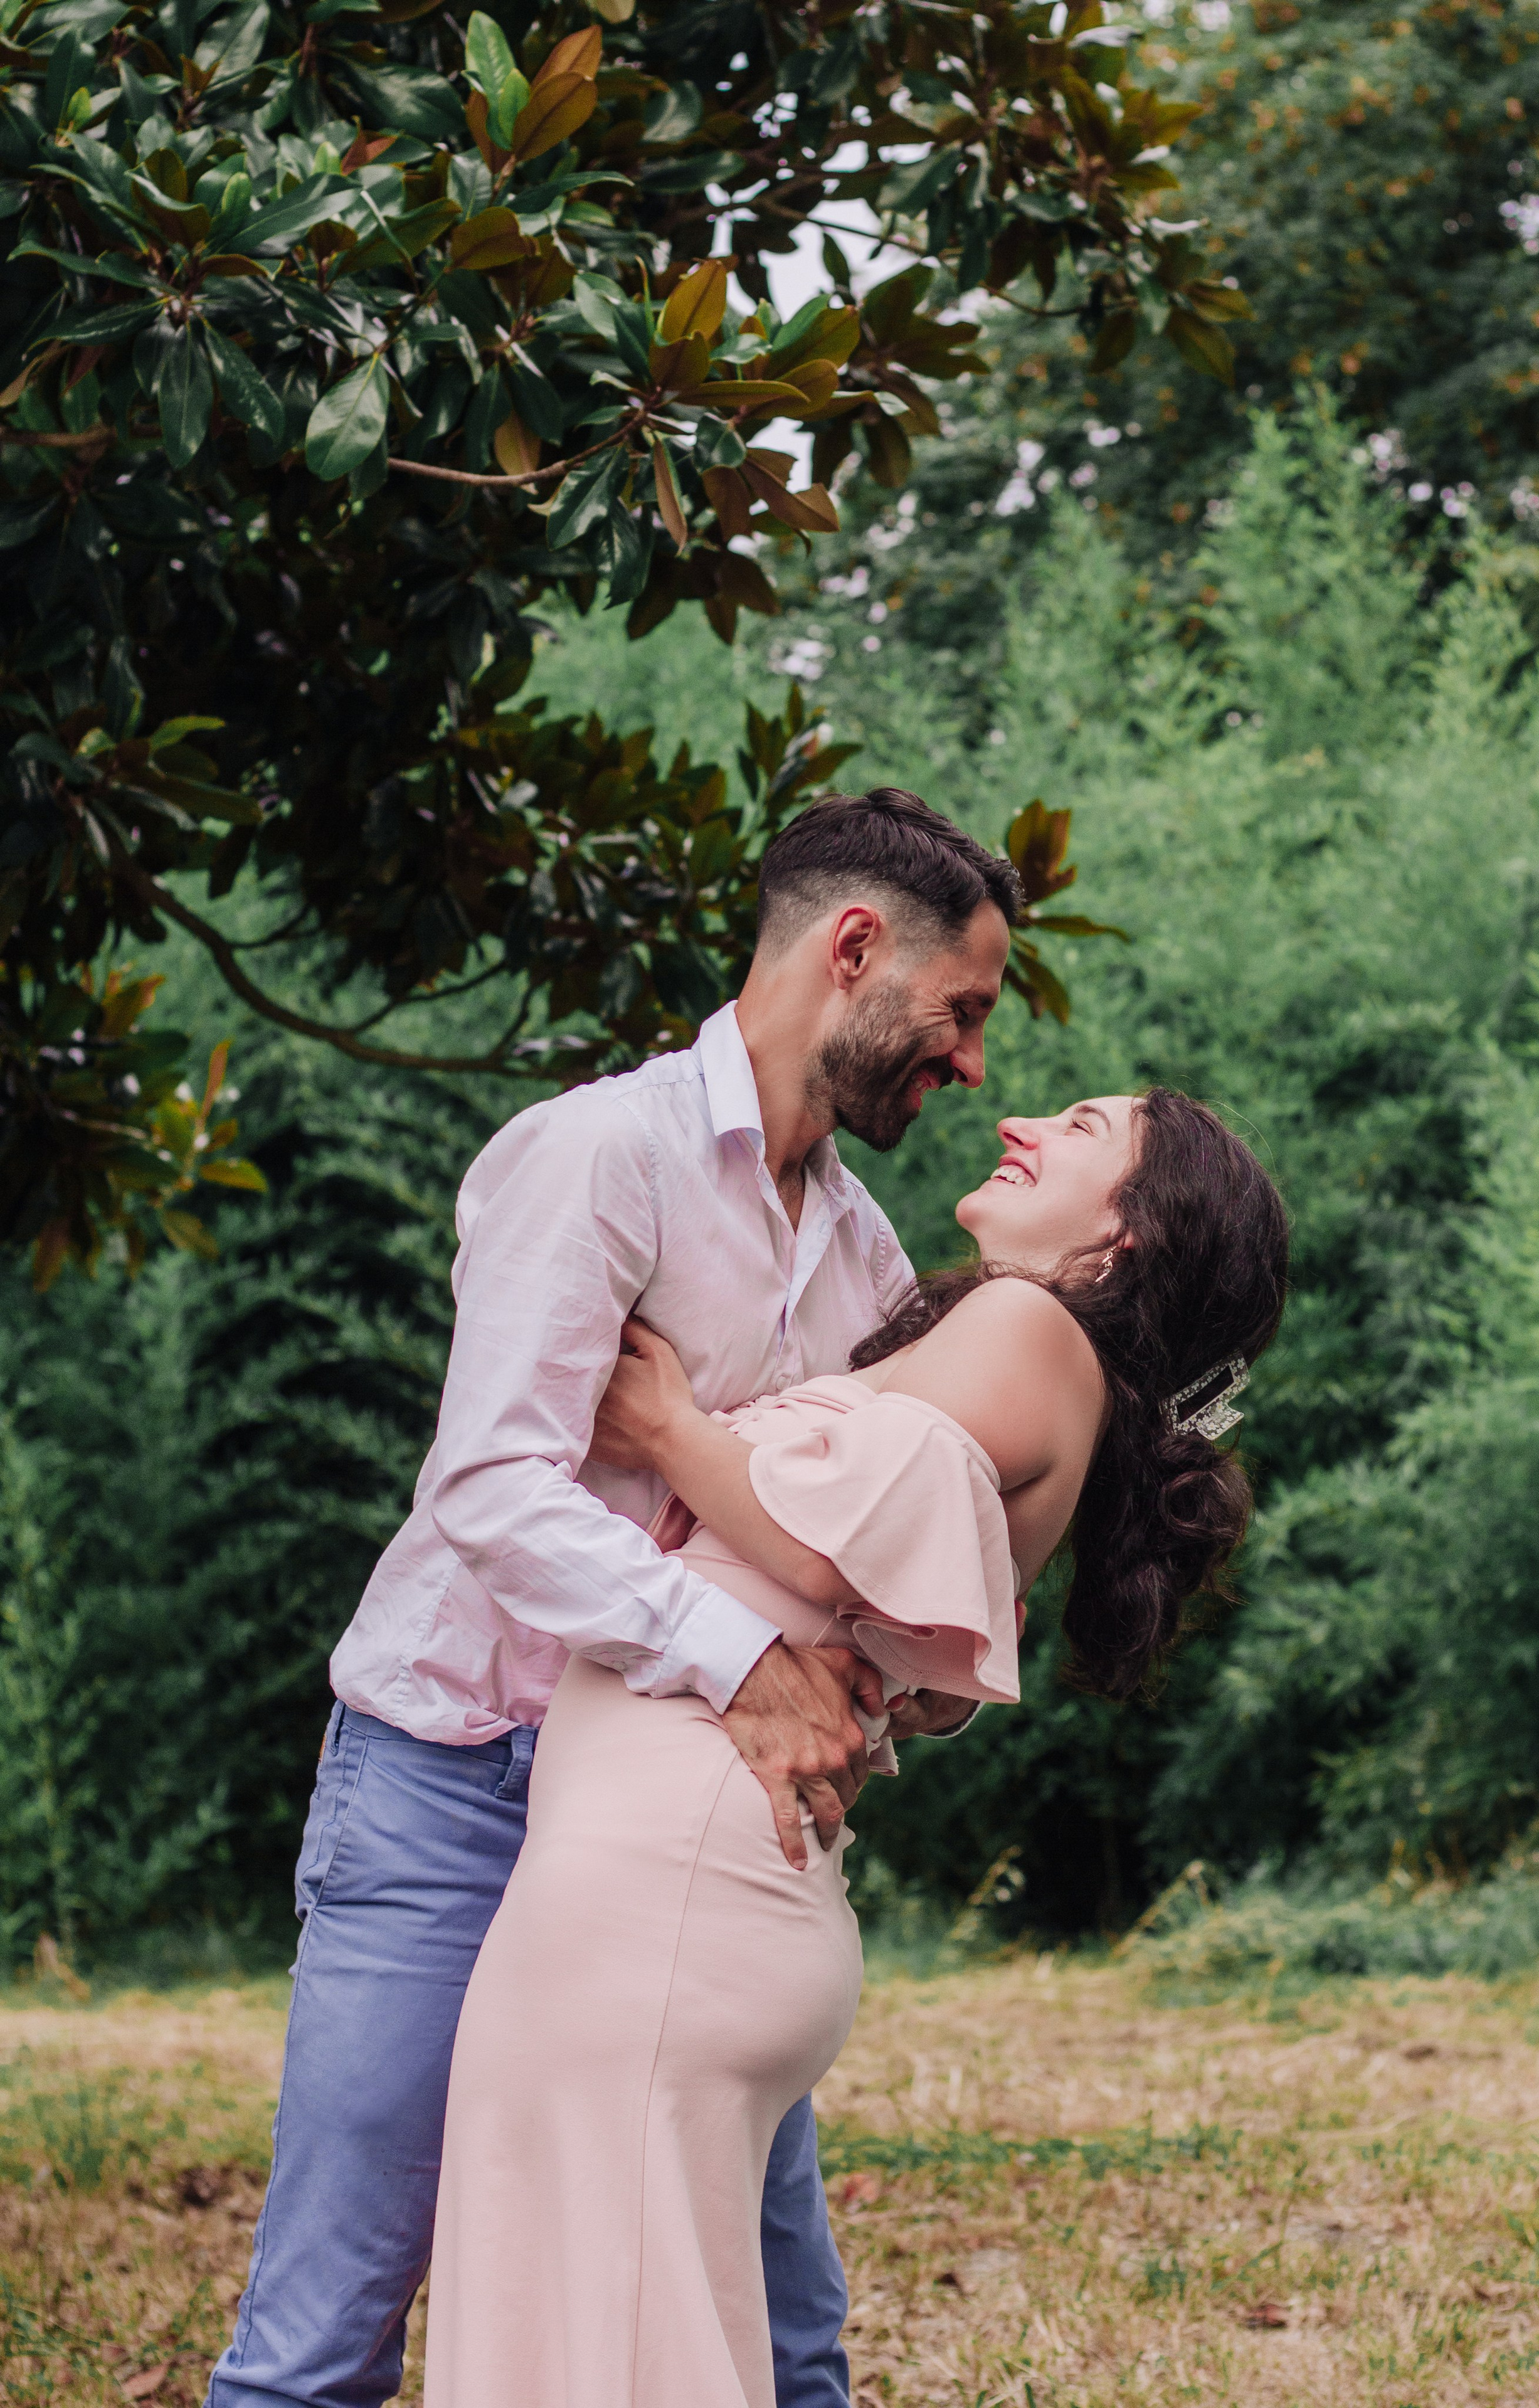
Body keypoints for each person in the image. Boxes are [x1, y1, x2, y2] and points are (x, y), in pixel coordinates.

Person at [208, 788, 1022, 2408]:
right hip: (456, 1782)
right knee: (327, 2337)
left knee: (785, 2340)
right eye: (963, 1011)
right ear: (852, 949)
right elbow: (493, 1490)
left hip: (669, 1832)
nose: (974, 1063)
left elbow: (837, 1543)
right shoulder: (597, 1158)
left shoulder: (861, 1256)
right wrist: (737, 1661)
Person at [423, 1087, 1290, 2407]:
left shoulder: (1029, 1326)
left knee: (604, 2338)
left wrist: (665, 1432)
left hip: (668, 1878)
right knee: (607, 2325)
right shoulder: (1027, 1353)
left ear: (1127, 1233)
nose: (1029, 1121)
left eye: (1082, 1128)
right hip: (680, 1869)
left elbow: (831, 1548)